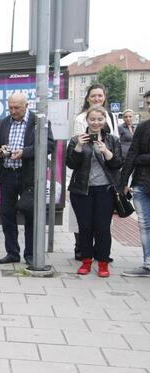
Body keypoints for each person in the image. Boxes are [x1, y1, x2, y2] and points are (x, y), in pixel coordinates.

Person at [0, 93, 55, 265]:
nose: (13, 111)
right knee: (7, 215)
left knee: (30, 214)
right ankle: (12, 253)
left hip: (29, 175)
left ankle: (30, 254)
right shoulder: (4, 123)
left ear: (26, 105)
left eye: (16, 107)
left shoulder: (39, 121)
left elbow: (49, 145)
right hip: (8, 174)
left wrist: (24, 153)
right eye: (10, 107)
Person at [67, 106, 123, 277]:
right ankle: (86, 261)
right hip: (81, 190)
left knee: (102, 227)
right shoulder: (77, 139)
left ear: (104, 120)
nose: (96, 123)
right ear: (87, 120)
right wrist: (78, 147)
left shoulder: (112, 140)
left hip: (104, 190)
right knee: (85, 227)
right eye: (92, 119)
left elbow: (118, 164)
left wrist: (106, 152)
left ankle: (103, 262)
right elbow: (70, 164)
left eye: (100, 119)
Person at [119, 91, 150, 277]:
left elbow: (138, 156)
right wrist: (123, 182)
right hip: (141, 183)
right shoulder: (143, 127)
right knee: (145, 225)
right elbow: (132, 155)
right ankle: (148, 264)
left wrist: (142, 158)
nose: (149, 106)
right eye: (148, 103)